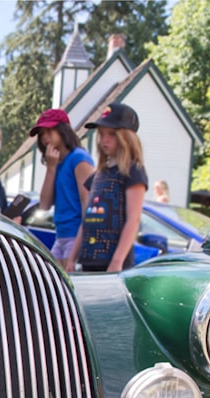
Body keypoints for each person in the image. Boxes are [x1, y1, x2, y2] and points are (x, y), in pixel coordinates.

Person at [67, 102, 146, 273]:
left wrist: (117, 261)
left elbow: (134, 219)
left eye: (112, 134)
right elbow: (87, 219)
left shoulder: (133, 171)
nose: (104, 140)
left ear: (126, 138)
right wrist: (72, 258)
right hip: (88, 259)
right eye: (101, 134)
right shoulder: (98, 175)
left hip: (114, 262)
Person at [29, 108, 95, 269]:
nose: (45, 137)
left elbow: (88, 203)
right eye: (42, 133)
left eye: (49, 131)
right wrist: (51, 168)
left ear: (63, 130)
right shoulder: (56, 162)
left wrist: (81, 246)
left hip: (76, 237)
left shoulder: (79, 158)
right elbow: (44, 205)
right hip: (61, 236)